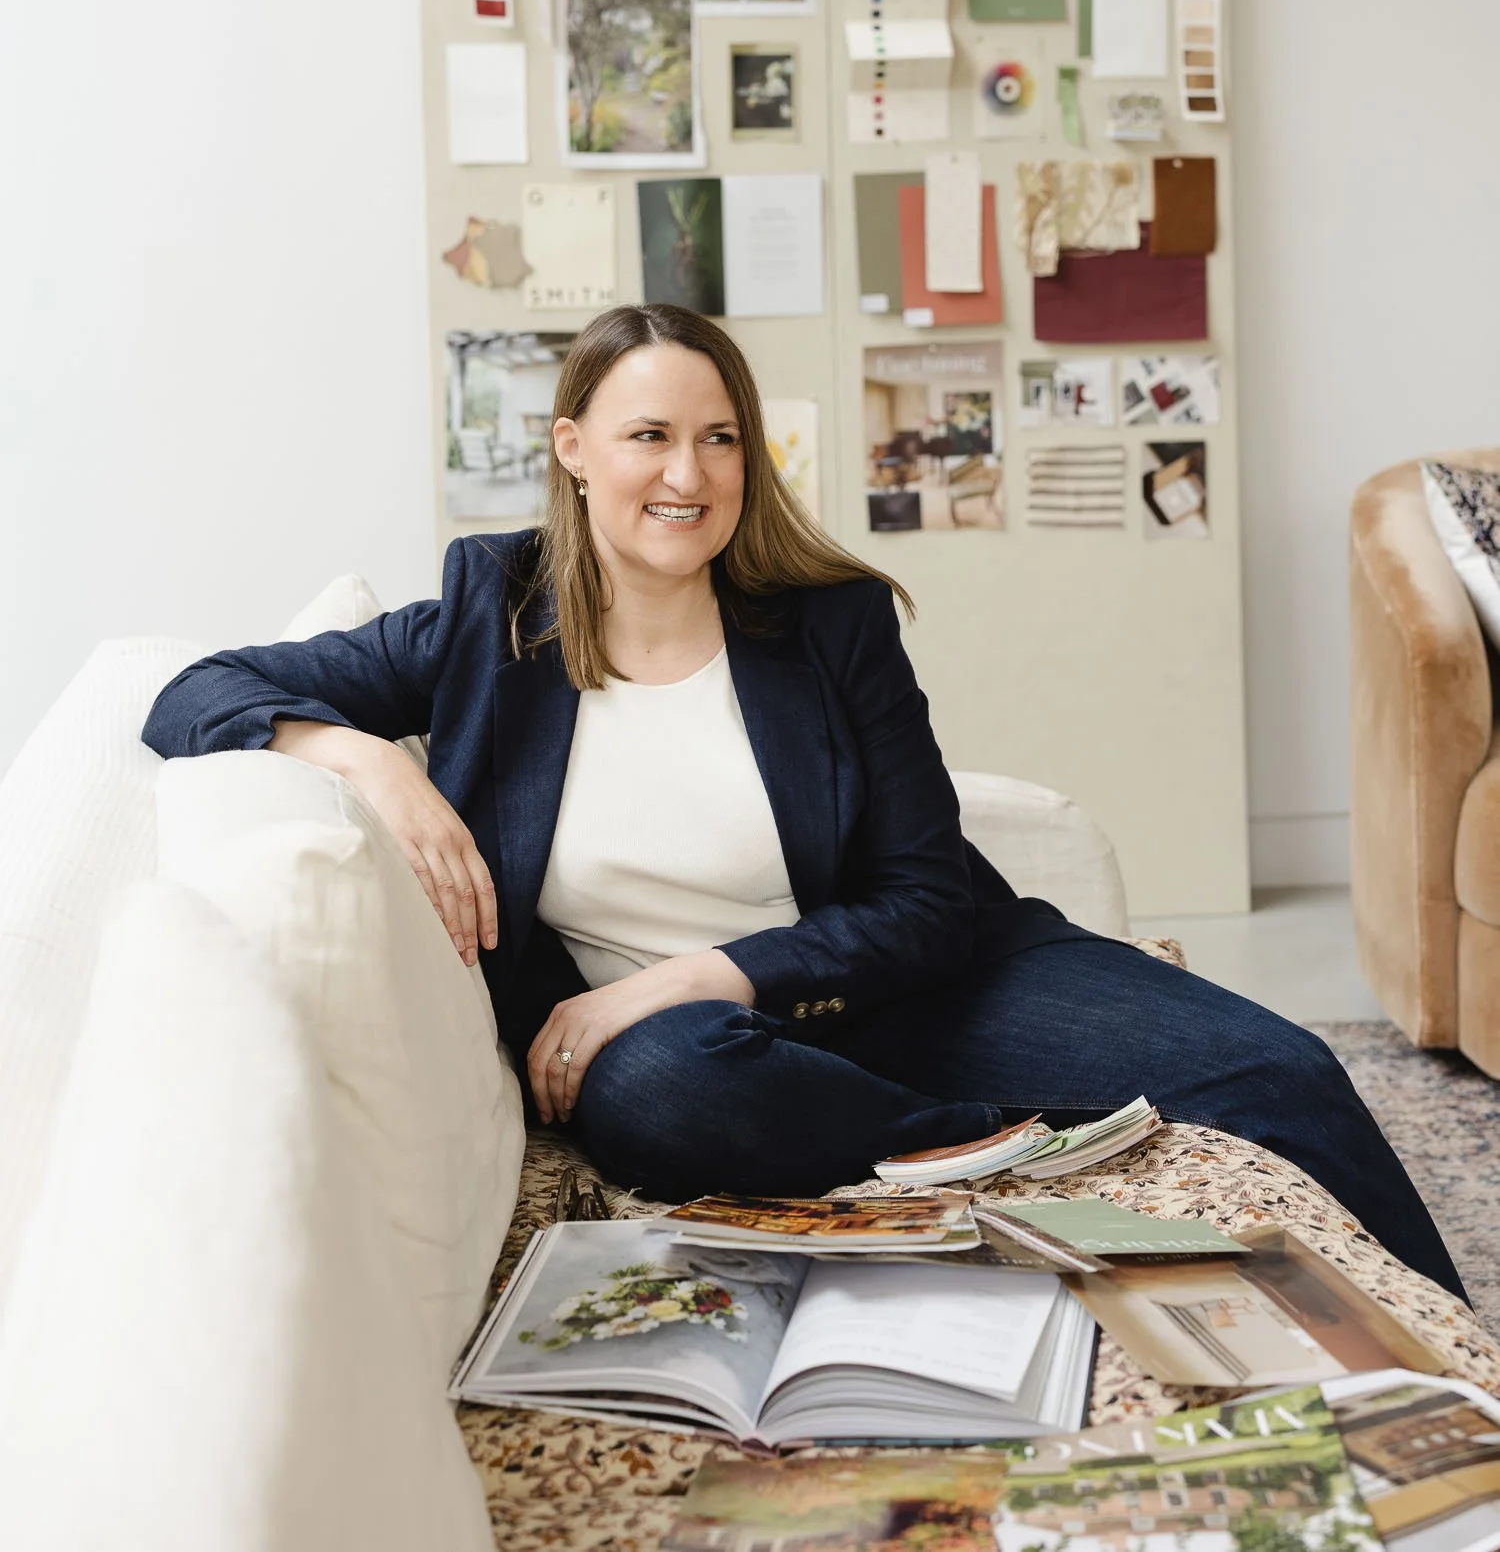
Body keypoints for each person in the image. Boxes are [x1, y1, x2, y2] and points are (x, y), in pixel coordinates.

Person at [142, 305, 1464, 1299]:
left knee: (1284, 1069)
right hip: (709, 1056)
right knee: (658, 1097)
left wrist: (683, 975)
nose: (688, 473)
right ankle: (1004, 1143)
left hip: (926, 983)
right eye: (650, 436)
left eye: (719, 437)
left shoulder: (831, 623)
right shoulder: (491, 616)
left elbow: (925, 900)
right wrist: (370, 761)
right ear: (573, 449)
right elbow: (190, 693)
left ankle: (1465, 1385)